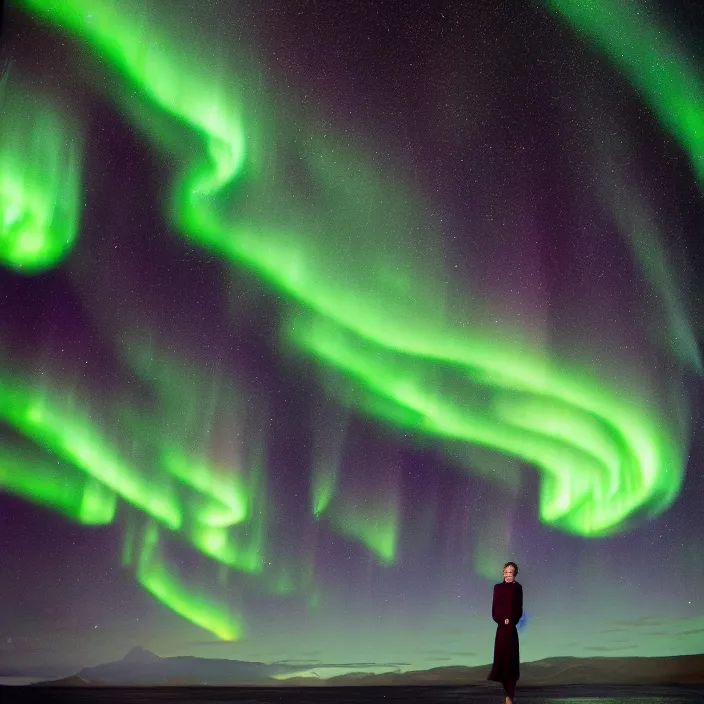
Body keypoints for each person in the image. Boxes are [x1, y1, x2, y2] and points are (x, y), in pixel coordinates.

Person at [487, 561, 523, 704]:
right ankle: (508, 695)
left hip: (511, 630)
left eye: (511, 572)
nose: (508, 575)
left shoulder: (518, 588)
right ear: (503, 573)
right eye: (506, 572)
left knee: (511, 664)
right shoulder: (497, 588)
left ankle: (510, 697)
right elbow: (494, 609)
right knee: (501, 663)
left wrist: (511, 620)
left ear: (515, 574)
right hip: (501, 630)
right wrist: (501, 619)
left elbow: (519, 609)